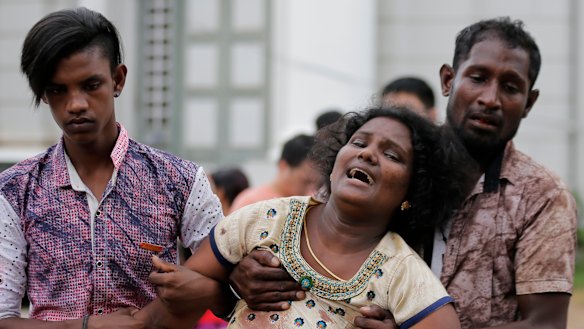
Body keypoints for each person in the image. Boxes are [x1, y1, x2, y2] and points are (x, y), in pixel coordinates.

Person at [228, 17, 578, 329]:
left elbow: (544, 323)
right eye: (478, 77)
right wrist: (241, 273)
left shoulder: (542, 196)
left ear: (529, 103)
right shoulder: (390, 162)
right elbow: (310, 234)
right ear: (448, 79)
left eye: (511, 87)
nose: (490, 98)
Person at [137, 107, 466, 328]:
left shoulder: (401, 272)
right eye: (359, 142)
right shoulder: (264, 220)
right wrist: (229, 287)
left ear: (414, 191)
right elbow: (180, 294)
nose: (368, 153)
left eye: (391, 154)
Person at [0, 7, 223, 328]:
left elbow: (230, 280)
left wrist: (205, 289)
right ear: (44, 95)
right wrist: (87, 326)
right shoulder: (15, 190)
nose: (75, 104)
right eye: (57, 90)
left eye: (91, 85)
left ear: (117, 79)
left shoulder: (179, 179)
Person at [229, 134, 320, 212]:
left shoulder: (313, 204)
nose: (311, 189)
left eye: (315, 183)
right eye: (305, 182)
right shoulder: (251, 202)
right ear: (283, 165)